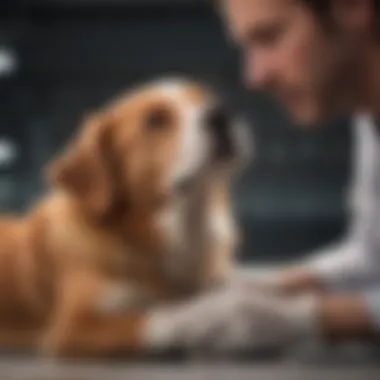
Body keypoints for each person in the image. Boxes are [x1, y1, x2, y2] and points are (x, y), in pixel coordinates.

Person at [144, 0, 380, 355]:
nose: (255, 77)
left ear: (352, 9)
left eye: (270, 37)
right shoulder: (367, 114)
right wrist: (269, 287)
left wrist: (309, 319)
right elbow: (371, 255)